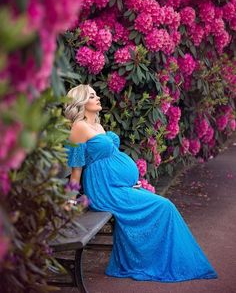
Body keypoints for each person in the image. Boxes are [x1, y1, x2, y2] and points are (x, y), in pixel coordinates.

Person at [64, 84, 218, 282]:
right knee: (164, 206)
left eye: (96, 94)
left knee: (163, 206)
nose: (98, 98)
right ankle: (152, 262)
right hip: (104, 191)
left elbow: (108, 157)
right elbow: (76, 169)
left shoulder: (97, 125)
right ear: (82, 102)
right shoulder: (79, 127)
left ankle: (156, 259)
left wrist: (125, 180)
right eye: (92, 96)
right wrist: (68, 201)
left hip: (117, 187)